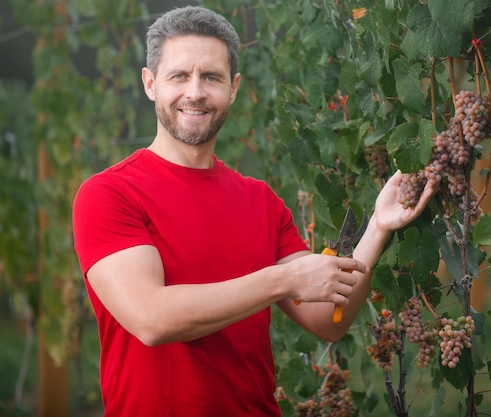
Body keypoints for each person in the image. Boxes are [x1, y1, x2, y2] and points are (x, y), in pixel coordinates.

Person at [72, 5, 436, 416]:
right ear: (150, 83)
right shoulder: (109, 194)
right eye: (179, 76)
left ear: (234, 87)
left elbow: (327, 322)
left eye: (211, 77)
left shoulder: (259, 200)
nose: (195, 92)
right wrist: (283, 279)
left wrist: (377, 228)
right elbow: (152, 320)